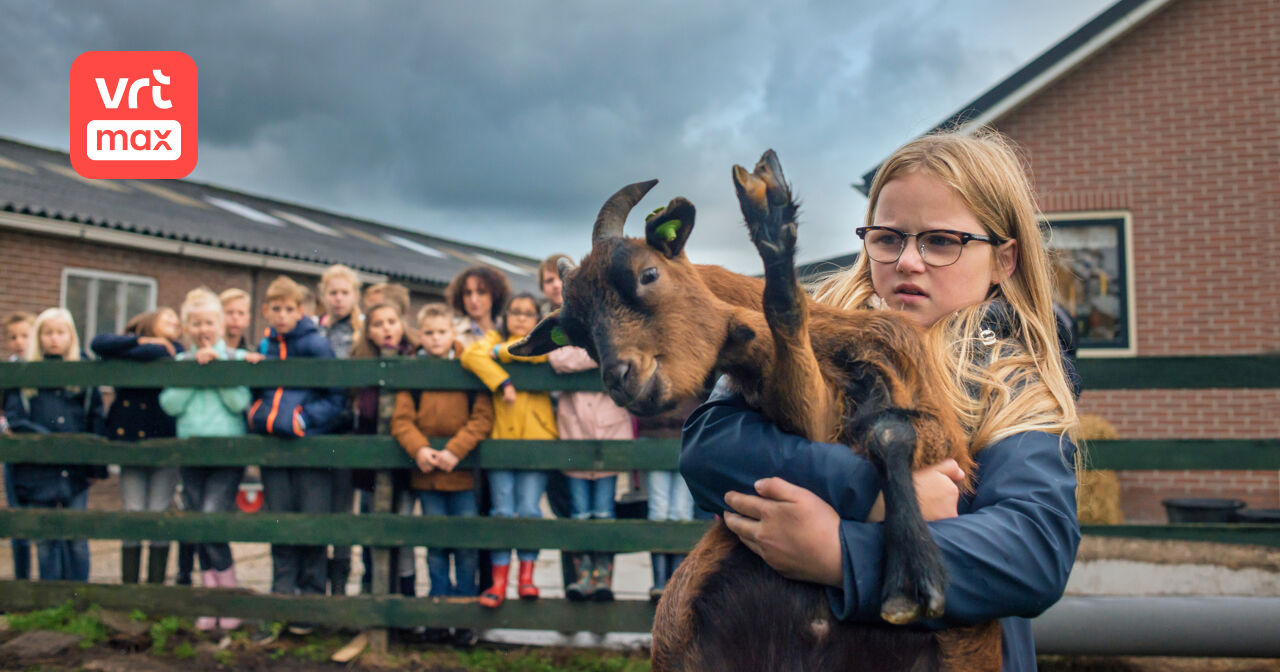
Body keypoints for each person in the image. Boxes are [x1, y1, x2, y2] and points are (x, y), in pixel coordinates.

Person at [680, 130, 1081, 671]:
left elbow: (1033, 551)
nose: (908, 262)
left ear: (1004, 260)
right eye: (888, 238)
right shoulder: (812, 330)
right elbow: (711, 447)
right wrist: (876, 495)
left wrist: (842, 555)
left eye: (942, 241)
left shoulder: (1014, 383)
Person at [248, 275, 346, 635]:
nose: (282, 315)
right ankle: (281, 597)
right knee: (280, 521)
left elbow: (336, 397)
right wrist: (257, 411)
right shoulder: (266, 346)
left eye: (289, 309)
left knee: (311, 523)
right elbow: (259, 390)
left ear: (300, 310)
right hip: (274, 448)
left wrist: (305, 420)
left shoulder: (317, 345)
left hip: (310, 447)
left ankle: (310, 602)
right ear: (266, 311)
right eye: (276, 309)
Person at [159, 288, 262, 631]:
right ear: (187, 326)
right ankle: (210, 601)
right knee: (197, 524)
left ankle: (227, 599)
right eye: (196, 323)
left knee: (210, 519)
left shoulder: (234, 358)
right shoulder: (180, 363)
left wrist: (216, 370)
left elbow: (238, 402)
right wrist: (194, 373)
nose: (203, 329)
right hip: (191, 453)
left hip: (226, 454)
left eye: (209, 322)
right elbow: (170, 405)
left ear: (220, 324)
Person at [392, 303, 493, 645]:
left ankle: (463, 616)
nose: (436, 340)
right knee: (435, 546)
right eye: (430, 333)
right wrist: (419, 448)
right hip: (428, 476)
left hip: (461, 474)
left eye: (442, 332)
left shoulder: (467, 368)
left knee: (464, 547)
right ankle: (438, 614)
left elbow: (481, 417)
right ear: (421, 335)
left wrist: (455, 450)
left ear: (453, 333)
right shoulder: (415, 372)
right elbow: (401, 419)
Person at [461, 293, 555, 608]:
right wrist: (502, 381)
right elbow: (472, 356)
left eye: (528, 313)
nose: (520, 317)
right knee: (502, 511)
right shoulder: (491, 337)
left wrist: (501, 352)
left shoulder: (540, 342)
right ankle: (498, 582)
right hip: (501, 438)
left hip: (538, 439)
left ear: (537, 318)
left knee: (529, 510)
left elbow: (539, 355)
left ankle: (525, 578)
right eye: (515, 312)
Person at [3, 308, 105, 582]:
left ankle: (78, 595)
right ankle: (51, 601)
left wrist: (96, 464)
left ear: (71, 336)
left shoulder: (84, 374)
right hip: (38, 468)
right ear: (39, 337)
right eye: (48, 332)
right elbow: (16, 418)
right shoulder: (25, 374)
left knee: (76, 536)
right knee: (46, 537)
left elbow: (95, 417)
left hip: (75, 470)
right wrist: (50, 444)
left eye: (60, 332)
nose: (54, 339)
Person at [91, 308, 185, 586]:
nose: (174, 323)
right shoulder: (128, 343)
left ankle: (154, 588)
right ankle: (129, 588)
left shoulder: (175, 349)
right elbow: (98, 344)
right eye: (168, 318)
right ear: (149, 320)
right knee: (132, 510)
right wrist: (139, 342)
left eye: (176, 322)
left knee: (158, 512)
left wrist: (144, 348)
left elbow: (160, 355)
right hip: (130, 440)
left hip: (164, 440)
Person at [549, 338, 633, 602]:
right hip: (574, 435)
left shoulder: (612, 330)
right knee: (579, 511)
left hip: (610, 435)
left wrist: (588, 356)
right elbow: (559, 360)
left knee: (604, 511)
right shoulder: (566, 329)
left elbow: (626, 356)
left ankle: (603, 576)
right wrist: (601, 355)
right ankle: (583, 573)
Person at [348, 302, 418, 598]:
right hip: (369, 459)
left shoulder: (416, 359)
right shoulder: (361, 363)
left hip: (404, 456)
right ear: (369, 332)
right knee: (371, 522)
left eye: (391, 321)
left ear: (402, 325)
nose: (386, 328)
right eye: (378, 324)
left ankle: (404, 593)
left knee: (401, 526)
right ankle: (372, 589)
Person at [316, 264, 361, 596]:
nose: (339, 299)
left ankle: (340, 584)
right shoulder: (316, 333)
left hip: (351, 428)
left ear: (354, 295)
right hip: (321, 427)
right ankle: (319, 580)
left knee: (344, 507)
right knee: (320, 505)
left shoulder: (361, 333)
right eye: (333, 292)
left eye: (345, 292)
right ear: (324, 296)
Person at [2, 311, 36, 580]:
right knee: (18, 517)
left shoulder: (43, 367)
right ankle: (21, 581)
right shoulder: (7, 372)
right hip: (15, 453)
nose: (19, 342)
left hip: (40, 450)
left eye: (25, 335)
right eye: (12, 337)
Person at [447, 266, 510, 347]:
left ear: (495, 295)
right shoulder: (451, 331)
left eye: (481, 292)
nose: (473, 300)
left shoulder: (509, 330)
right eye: (468, 293)